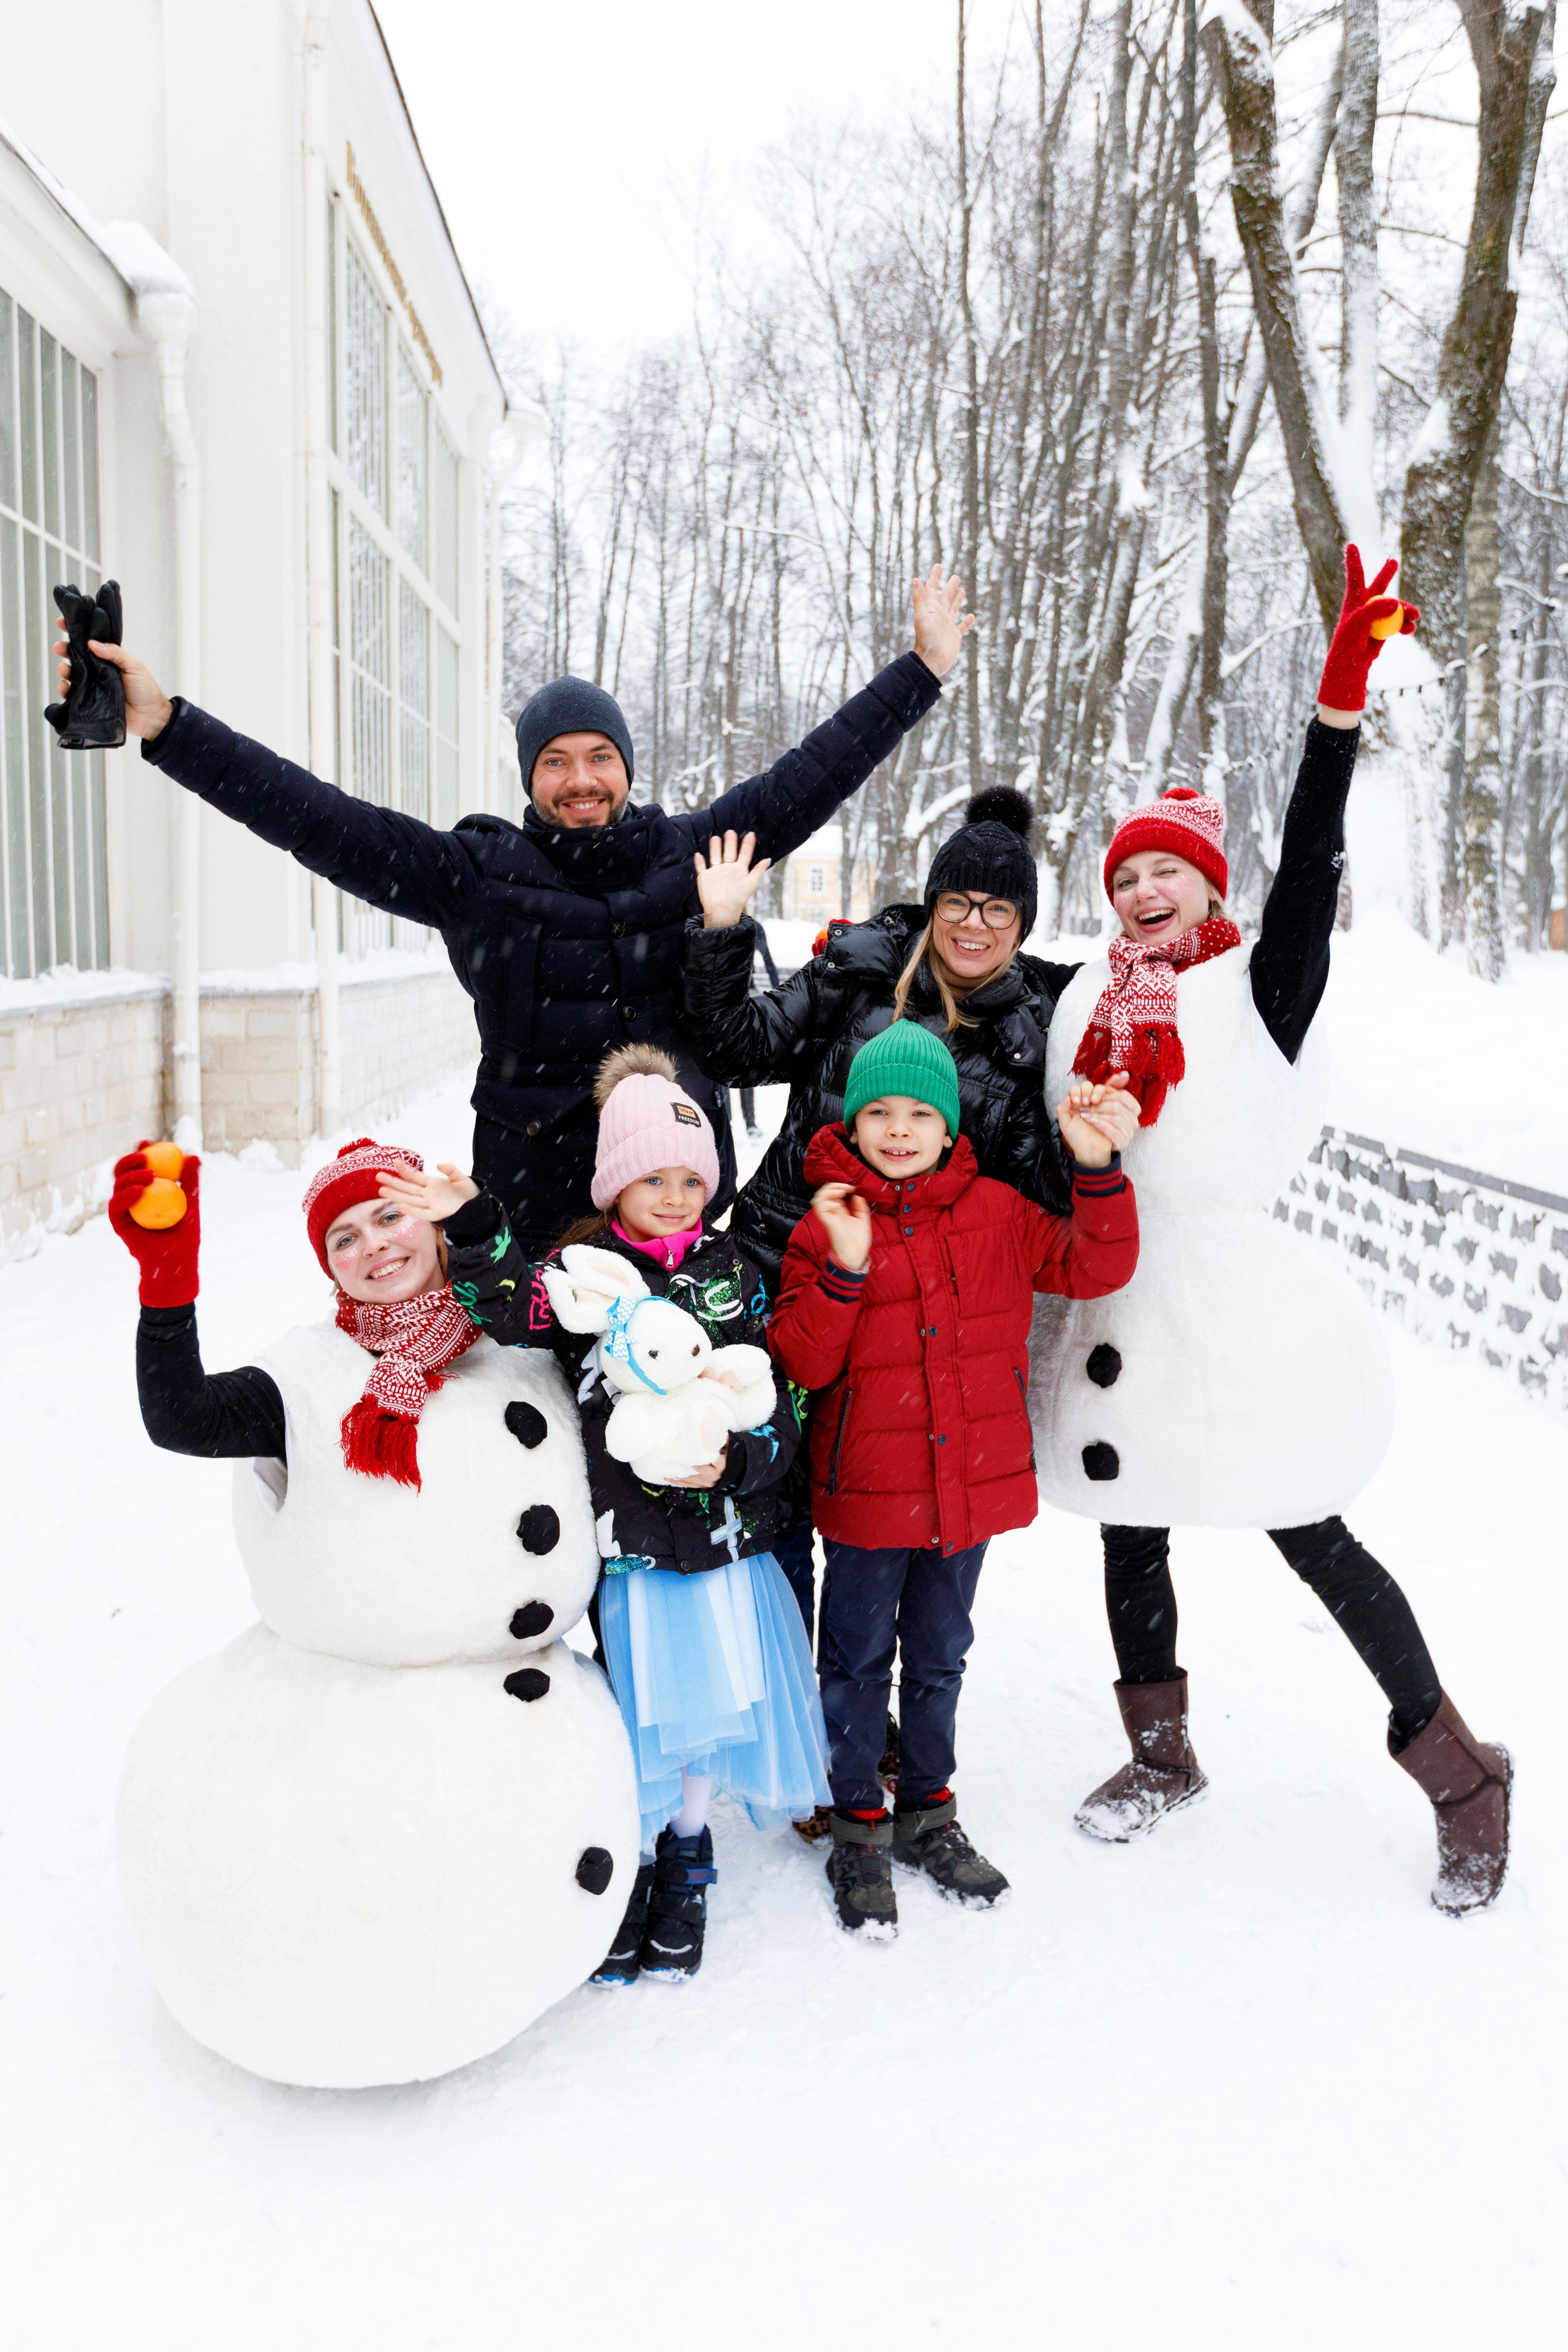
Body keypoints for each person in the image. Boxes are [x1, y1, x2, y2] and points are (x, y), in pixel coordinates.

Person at [1033, 545, 1512, 1917]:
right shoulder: (1084, 1000)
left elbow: (1310, 857)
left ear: (1205, 886)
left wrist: (1332, 710)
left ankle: (1456, 1767)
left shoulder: (1262, 986)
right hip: (1119, 1295)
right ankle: (1161, 1755)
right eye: (1125, 877)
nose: (1140, 894)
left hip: (1232, 1311)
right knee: (1129, 1531)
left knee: (1309, 1528)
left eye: (1166, 876)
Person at [61, 572, 970, 1257]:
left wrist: (921, 672)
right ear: (531, 776)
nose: (581, 779)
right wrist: (168, 726)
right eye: (557, 762)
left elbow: (812, 776)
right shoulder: (477, 874)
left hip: (673, 1193)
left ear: (627, 767)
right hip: (534, 1208)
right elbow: (316, 818)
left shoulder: (690, 853)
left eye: (600, 756)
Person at [382, 1045, 828, 1985]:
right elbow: (505, 1307)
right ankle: (633, 1859)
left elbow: (777, 1399)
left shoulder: (734, 1273)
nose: (673, 1196)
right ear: (615, 1184)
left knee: (707, 1710)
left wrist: (745, 1461)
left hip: (721, 1543)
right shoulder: (583, 1277)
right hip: (632, 1547)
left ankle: (689, 1860)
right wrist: (473, 1221)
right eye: (652, 1179)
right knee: (642, 1707)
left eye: (689, 1179)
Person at [766, 1022, 1141, 1940]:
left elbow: (1100, 1264)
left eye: (920, 1112)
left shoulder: (1001, 1215)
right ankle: (859, 1822)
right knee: (854, 1663)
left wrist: (1096, 1170)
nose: (900, 1128)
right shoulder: (825, 1228)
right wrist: (848, 1273)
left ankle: (930, 1809)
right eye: (880, 1113)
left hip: (964, 1491)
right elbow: (804, 1364)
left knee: (939, 1657)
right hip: (866, 1493)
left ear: (949, 1126)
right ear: (852, 1127)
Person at [684, 785, 1085, 1637]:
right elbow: (737, 1047)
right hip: (778, 1266)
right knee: (767, 1498)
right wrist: (722, 930)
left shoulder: (1029, 1033)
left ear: (1024, 923)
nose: (974, 925)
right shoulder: (861, 968)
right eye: (957, 902)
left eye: (999, 911)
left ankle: (855, 1711)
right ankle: (794, 1699)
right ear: (933, 900)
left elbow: (1029, 1200)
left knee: (877, 1520)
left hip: (901, 1320)